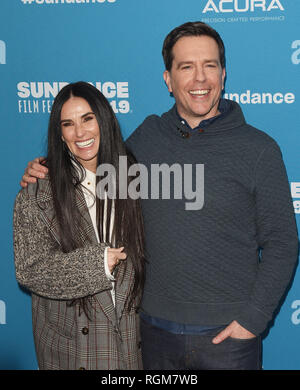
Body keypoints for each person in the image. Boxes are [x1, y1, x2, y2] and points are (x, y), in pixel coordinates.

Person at [20, 22, 299, 370]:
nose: (200, 79)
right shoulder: (146, 138)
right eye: (186, 67)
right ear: (168, 79)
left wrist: (253, 320)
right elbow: (93, 164)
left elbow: (283, 243)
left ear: (223, 74)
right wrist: (47, 168)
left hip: (229, 340)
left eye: (209, 66)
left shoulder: (259, 149)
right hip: (151, 334)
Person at [14, 81, 145, 370]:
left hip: (130, 347)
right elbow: (30, 270)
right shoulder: (38, 193)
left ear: (104, 120)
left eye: (88, 118)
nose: (80, 132)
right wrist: (97, 263)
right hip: (74, 352)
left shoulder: (134, 177)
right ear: (60, 134)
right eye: (68, 124)